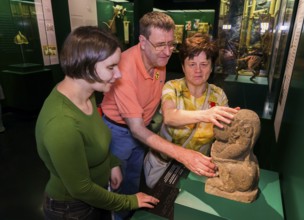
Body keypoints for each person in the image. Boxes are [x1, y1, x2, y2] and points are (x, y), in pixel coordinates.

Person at [100, 11, 222, 219]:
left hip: (142, 131)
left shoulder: (159, 61)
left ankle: (128, 214)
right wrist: (183, 155)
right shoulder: (125, 68)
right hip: (119, 132)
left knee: (132, 182)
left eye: (171, 44)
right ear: (143, 41)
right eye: (160, 45)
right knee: (115, 186)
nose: (167, 52)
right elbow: (136, 128)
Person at [35, 26, 159, 220]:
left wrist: (112, 163)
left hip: (96, 199)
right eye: (111, 67)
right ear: (86, 66)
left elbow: (95, 139)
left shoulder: (87, 94)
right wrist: (130, 201)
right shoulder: (61, 124)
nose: (118, 74)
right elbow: (81, 189)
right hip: (72, 210)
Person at [145, 33, 239, 187]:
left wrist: (233, 123)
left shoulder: (218, 95)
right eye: (192, 64)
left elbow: (224, 133)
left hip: (196, 166)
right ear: (183, 66)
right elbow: (169, 117)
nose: (198, 70)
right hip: (165, 165)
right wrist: (206, 115)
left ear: (211, 67)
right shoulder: (172, 88)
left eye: (204, 64)